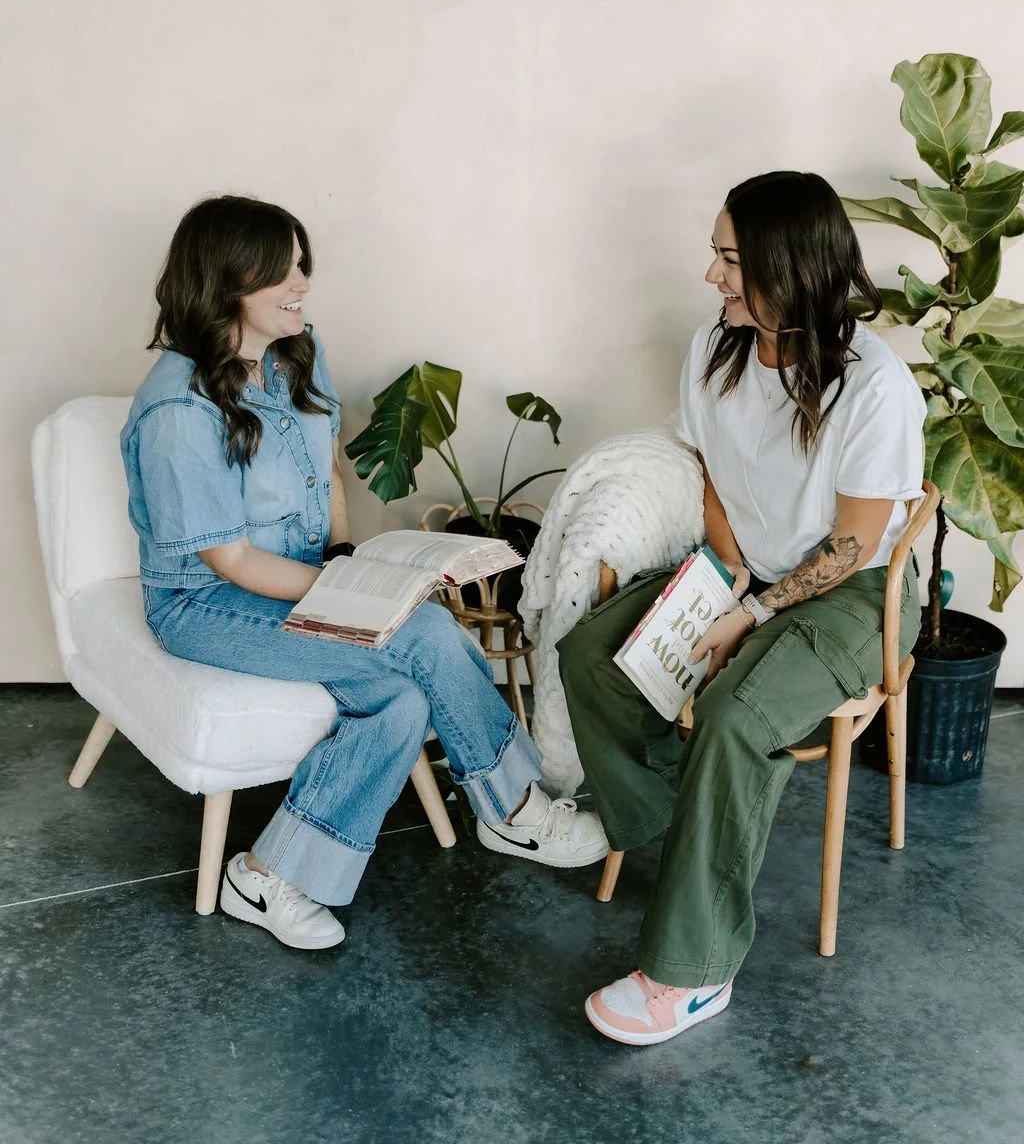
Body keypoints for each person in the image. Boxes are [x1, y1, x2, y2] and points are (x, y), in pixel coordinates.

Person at [120, 194, 608, 951]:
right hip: (204, 603)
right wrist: (353, 597)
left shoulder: (289, 355)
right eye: (281, 271)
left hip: (296, 574)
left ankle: (266, 875)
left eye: (301, 263)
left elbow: (333, 477)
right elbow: (231, 560)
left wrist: (348, 561)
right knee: (421, 633)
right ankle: (515, 811)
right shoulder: (179, 410)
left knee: (401, 698)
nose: (302, 283)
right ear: (224, 283)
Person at [558, 171, 926, 1045]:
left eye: (731, 258)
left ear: (788, 267)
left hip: (855, 595)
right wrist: (724, 571)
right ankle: (685, 825)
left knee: (732, 716)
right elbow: (710, 476)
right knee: (591, 657)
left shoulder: (876, 387)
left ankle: (692, 971)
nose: (713, 275)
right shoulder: (717, 347)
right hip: (747, 571)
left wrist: (755, 614)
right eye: (717, 253)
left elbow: (848, 545)